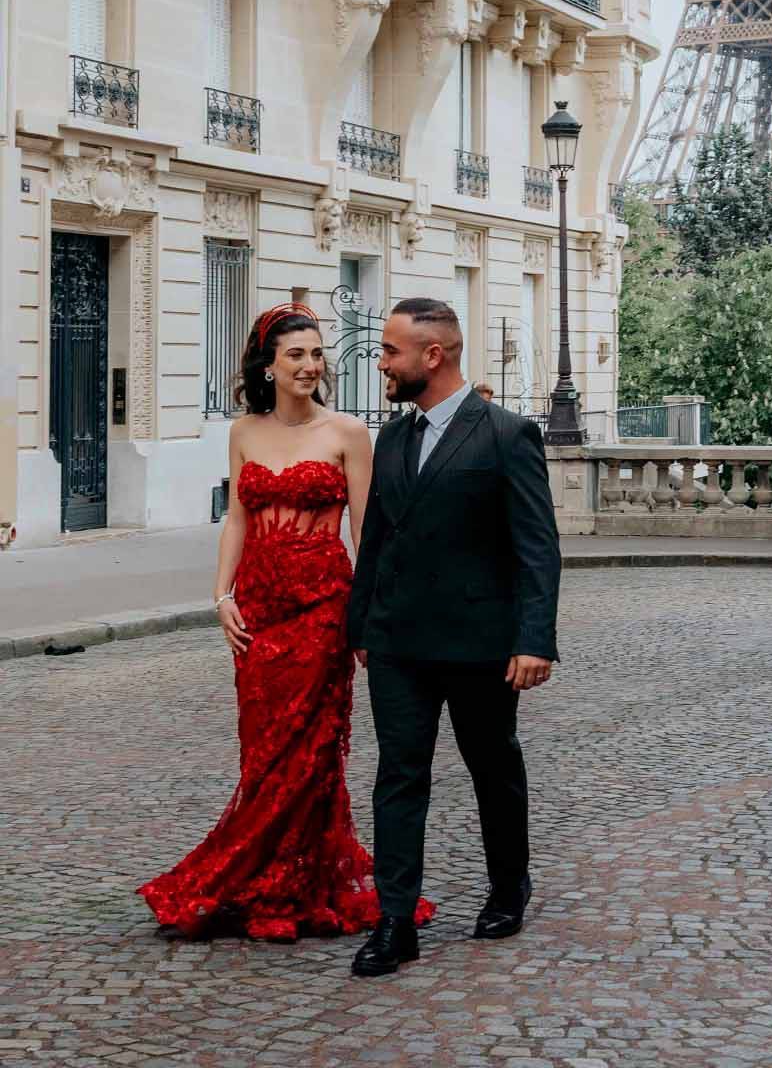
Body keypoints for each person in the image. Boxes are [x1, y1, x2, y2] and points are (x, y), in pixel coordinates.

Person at [138, 301, 435, 942]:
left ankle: (289, 887)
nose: (309, 365)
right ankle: (265, 876)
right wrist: (222, 596)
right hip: (259, 615)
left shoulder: (349, 434)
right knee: (263, 752)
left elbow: (368, 530)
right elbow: (237, 520)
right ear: (268, 366)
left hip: (324, 610)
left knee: (309, 753)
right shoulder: (244, 431)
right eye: (295, 355)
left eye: (317, 354)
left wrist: (368, 616)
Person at [347, 298, 561, 979]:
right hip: (398, 644)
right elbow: (376, 539)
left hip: (481, 645)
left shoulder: (506, 433)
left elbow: (537, 548)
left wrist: (535, 640)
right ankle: (394, 921)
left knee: (493, 769)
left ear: (431, 356)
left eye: (390, 352)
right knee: (398, 777)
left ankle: (508, 888)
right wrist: (361, 628)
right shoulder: (394, 438)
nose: (381, 362)